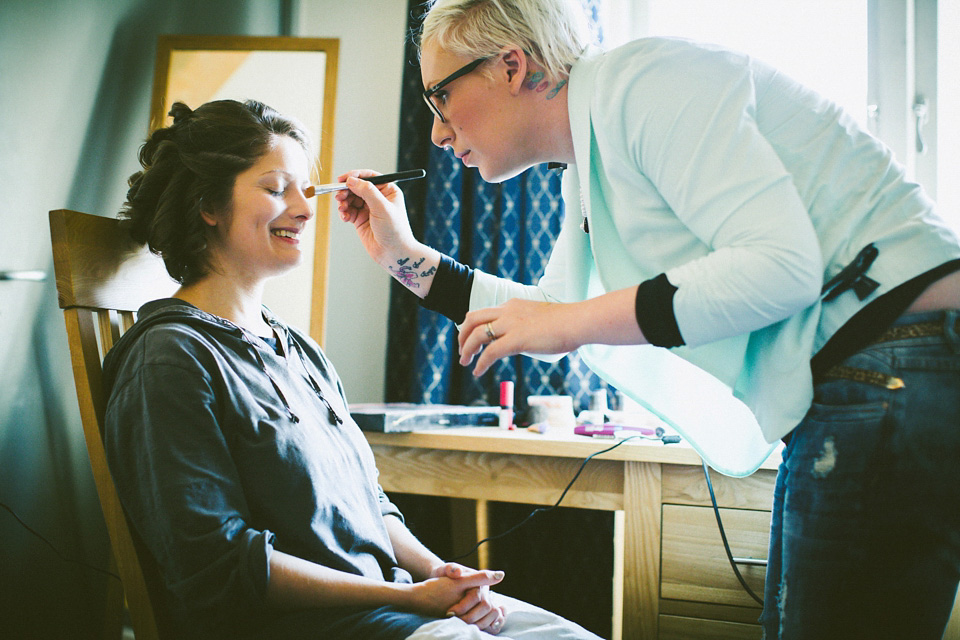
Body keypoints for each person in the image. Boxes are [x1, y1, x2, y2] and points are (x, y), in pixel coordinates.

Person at [334, 0, 960, 637]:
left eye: (439, 99)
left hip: (897, 363)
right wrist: (402, 257)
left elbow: (780, 266)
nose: (436, 133)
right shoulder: (595, 147)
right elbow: (543, 313)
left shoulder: (647, 82)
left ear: (511, 66)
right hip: (879, 372)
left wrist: (573, 323)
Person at [102, 98, 599, 640]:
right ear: (208, 205)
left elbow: (370, 505)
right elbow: (219, 566)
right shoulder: (171, 360)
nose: (305, 209)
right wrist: (407, 596)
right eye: (275, 189)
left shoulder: (299, 351)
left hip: (392, 607)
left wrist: (438, 573)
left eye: (303, 189)